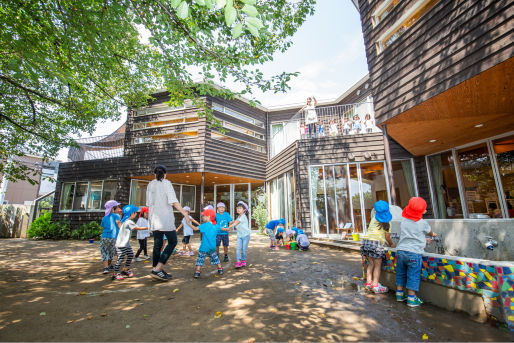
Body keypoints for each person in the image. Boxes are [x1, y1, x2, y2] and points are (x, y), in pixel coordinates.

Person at [146, 165, 191, 281]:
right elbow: (174, 201)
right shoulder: (166, 183)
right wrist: (185, 214)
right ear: (165, 174)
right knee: (173, 241)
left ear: (154, 174)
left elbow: (148, 203)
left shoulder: (150, 184)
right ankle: (157, 269)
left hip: (154, 219)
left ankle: (156, 269)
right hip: (165, 219)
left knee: (157, 245)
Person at [396, 197, 437, 307]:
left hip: (401, 251)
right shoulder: (423, 223)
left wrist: (423, 239)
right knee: (412, 275)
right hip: (413, 253)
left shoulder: (404, 221)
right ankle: (411, 298)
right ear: (422, 211)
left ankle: (399, 294)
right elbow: (429, 232)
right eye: (425, 209)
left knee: (401, 273)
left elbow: (411, 235)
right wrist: (433, 235)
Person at [360, 200, 395, 294]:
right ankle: (375, 285)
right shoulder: (388, 223)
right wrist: (391, 244)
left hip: (366, 242)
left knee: (371, 264)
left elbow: (375, 233)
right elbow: (387, 236)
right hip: (376, 244)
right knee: (377, 266)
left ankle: (368, 283)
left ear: (376, 211)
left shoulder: (374, 218)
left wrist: (383, 241)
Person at [112, 205, 149, 280]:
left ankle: (125, 269)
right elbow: (137, 228)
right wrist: (149, 227)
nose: (136, 214)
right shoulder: (129, 222)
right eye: (135, 212)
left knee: (130, 255)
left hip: (126, 243)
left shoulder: (125, 221)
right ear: (131, 213)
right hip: (121, 244)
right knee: (121, 258)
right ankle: (115, 273)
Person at [194, 209, 224, 278]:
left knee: (200, 258)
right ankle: (220, 269)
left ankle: (197, 271)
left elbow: (195, 229)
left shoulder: (204, 225)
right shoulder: (216, 226)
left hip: (204, 247)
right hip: (212, 247)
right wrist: (227, 229)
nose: (202, 217)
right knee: (215, 257)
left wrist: (188, 223)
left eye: (204, 216)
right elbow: (221, 228)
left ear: (209, 217)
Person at [227, 201, 251, 269]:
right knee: (238, 249)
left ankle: (243, 260)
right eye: (237, 208)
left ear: (244, 210)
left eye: (240, 208)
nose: (238, 209)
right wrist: (229, 222)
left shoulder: (243, 216)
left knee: (244, 249)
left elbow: (237, 222)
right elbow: (235, 221)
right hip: (239, 236)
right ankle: (238, 261)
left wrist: (230, 226)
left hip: (246, 236)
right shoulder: (239, 216)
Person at [100, 200, 122, 274]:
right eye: (117, 207)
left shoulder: (104, 217)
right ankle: (111, 265)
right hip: (113, 237)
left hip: (104, 237)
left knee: (105, 252)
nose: (118, 208)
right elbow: (119, 226)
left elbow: (102, 227)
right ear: (113, 208)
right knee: (111, 252)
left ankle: (106, 268)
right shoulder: (117, 216)